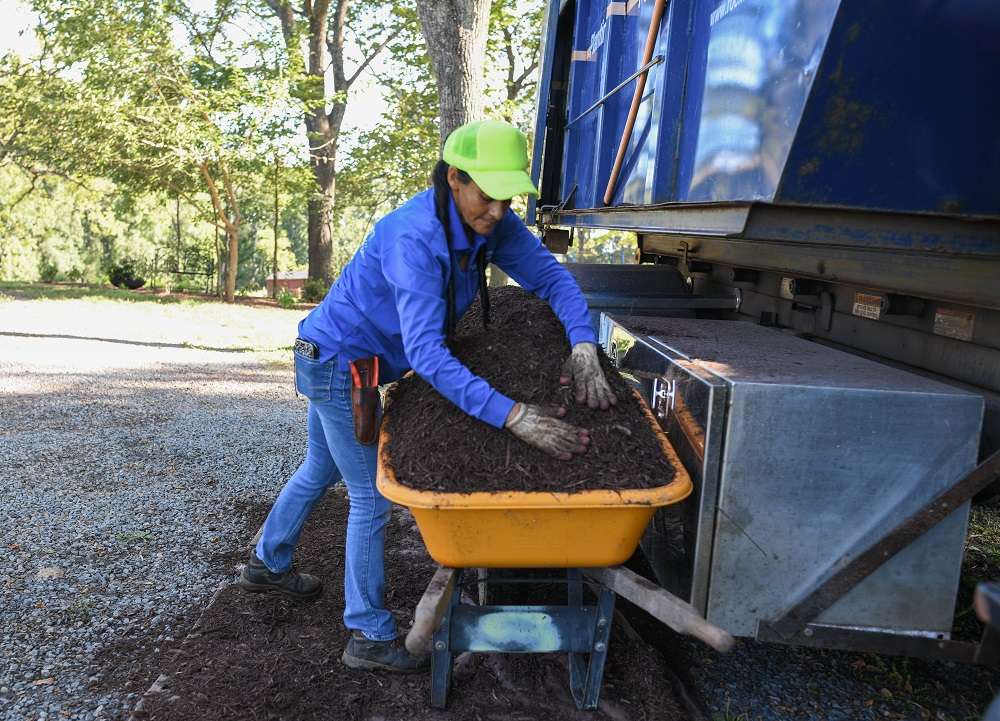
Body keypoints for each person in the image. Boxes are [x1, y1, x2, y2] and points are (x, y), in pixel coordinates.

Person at [239, 119, 618, 673]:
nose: (497, 211)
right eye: (486, 196)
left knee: (319, 469)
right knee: (373, 498)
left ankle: (267, 564)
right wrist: (512, 415)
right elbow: (427, 355)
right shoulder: (414, 238)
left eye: (507, 199)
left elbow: (553, 280)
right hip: (340, 364)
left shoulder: (493, 223)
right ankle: (366, 634)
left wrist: (582, 344)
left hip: (342, 357)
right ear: (454, 178)